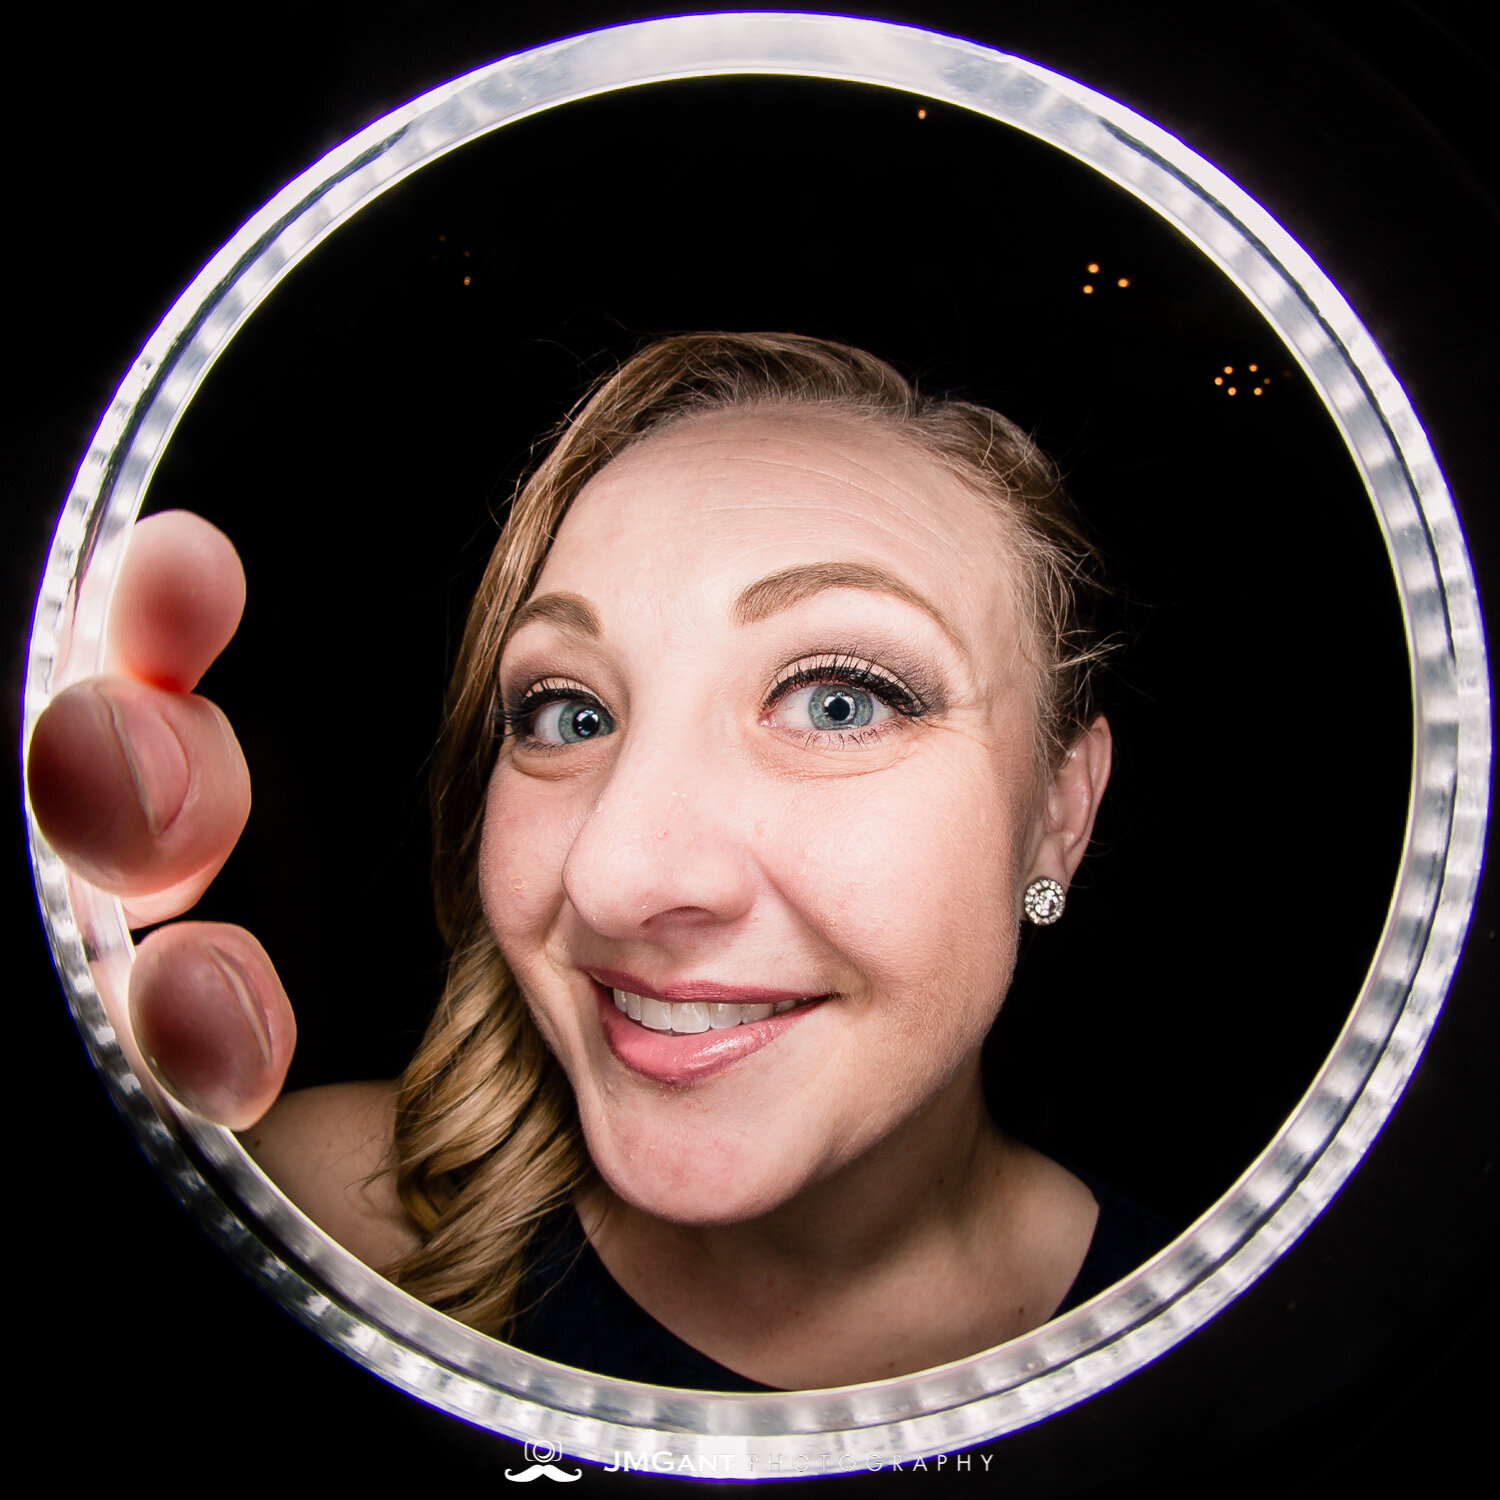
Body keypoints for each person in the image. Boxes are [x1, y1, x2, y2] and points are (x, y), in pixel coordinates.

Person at [27, 332, 1169, 1391]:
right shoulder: (314, 1223)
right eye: (568, 714)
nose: (614, 874)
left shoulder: (1201, 1333)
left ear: (1059, 812)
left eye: (839, 700)